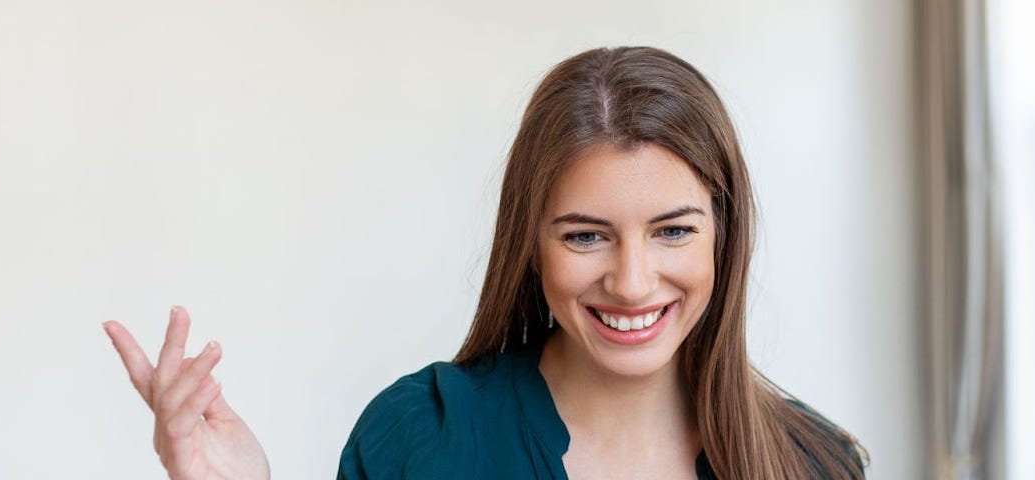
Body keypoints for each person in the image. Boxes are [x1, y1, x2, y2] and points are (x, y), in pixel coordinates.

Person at [102, 46, 867, 479]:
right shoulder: (416, 439)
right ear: (528, 243)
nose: (632, 281)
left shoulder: (817, 463)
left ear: (724, 239)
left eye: (672, 232)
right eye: (585, 236)